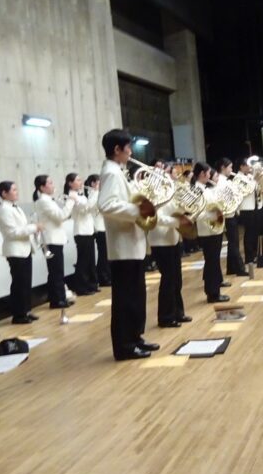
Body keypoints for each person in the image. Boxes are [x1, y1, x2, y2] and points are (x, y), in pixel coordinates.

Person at [97, 129, 160, 361]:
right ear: (117, 149)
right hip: (123, 247)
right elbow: (106, 205)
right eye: (128, 148)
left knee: (136, 297)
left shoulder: (117, 171)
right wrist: (138, 210)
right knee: (125, 299)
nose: (131, 152)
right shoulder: (111, 173)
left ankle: (135, 337)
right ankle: (125, 346)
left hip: (131, 244)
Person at [0, 181, 39, 324]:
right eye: (13, 190)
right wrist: (33, 227)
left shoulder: (15, 207)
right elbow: (12, 232)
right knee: (19, 284)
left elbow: (21, 227)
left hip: (24, 249)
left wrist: (32, 228)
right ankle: (19, 315)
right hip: (15, 251)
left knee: (25, 283)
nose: (16, 192)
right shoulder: (4, 210)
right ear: (4, 193)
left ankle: (26, 310)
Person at [148, 197, 192, 327]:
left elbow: (175, 209)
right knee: (168, 279)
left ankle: (177, 312)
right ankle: (166, 317)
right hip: (160, 240)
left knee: (176, 278)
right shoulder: (155, 195)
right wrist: (177, 222)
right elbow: (156, 217)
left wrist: (185, 207)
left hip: (172, 238)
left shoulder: (172, 193)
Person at [33, 175, 75, 309]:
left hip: (55, 239)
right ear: (42, 187)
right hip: (51, 240)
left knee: (56, 271)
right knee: (56, 271)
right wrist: (71, 201)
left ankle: (57, 298)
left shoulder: (48, 200)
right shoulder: (43, 201)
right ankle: (58, 300)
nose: (53, 185)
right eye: (50, 183)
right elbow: (60, 216)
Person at [191, 162, 227, 303]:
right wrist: (214, 213)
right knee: (212, 262)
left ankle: (214, 290)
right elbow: (196, 213)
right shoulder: (196, 190)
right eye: (207, 173)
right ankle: (213, 294)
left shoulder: (205, 188)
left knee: (213, 262)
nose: (209, 175)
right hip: (207, 231)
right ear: (202, 174)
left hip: (214, 229)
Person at [216, 158, 249, 277]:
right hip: (228, 215)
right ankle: (240, 268)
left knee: (233, 242)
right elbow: (225, 197)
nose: (231, 169)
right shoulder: (221, 181)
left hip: (231, 213)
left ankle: (231, 268)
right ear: (223, 168)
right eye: (229, 167)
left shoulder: (226, 180)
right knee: (234, 242)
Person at [68, 173, 98, 295]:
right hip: (81, 232)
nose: (81, 182)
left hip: (88, 231)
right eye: (78, 180)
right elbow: (85, 208)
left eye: (80, 180)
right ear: (70, 183)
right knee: (83, 261)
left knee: (90, 260)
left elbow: (91, 208)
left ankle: (91, 285)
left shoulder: (81, 195)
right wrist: (96, 193)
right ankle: (81, 287)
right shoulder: (72, 195)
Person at [87, 174, 111, 287]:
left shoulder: (98, 194)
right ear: (93, 184)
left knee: (106, 254)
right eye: (99, 182)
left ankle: (107, 276)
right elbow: (91, 206)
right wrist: (97, 191)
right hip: (99, 227)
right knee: (103, 254)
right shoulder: (92, 194)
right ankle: (103, 277)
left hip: (105, 226)